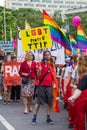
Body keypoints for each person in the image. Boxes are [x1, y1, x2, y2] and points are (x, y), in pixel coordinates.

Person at [32, 50, 59, 125]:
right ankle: (34, 117)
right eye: (46, 55)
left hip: (49, 86)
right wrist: (39, 71)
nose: (47, 56)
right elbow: (38, 76)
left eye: (48, 54)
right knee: (38, 102)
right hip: (42, 85)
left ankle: (48, 117)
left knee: (49, 103)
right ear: (44, 56)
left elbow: (54, 75)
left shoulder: (52, 65)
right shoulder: (40, 64)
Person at [68, 54, 87, 130]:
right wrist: (73, 96)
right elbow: (72, 84)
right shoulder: (76, 70)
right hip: (80, 96)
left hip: (80, 94)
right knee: (80, 118)